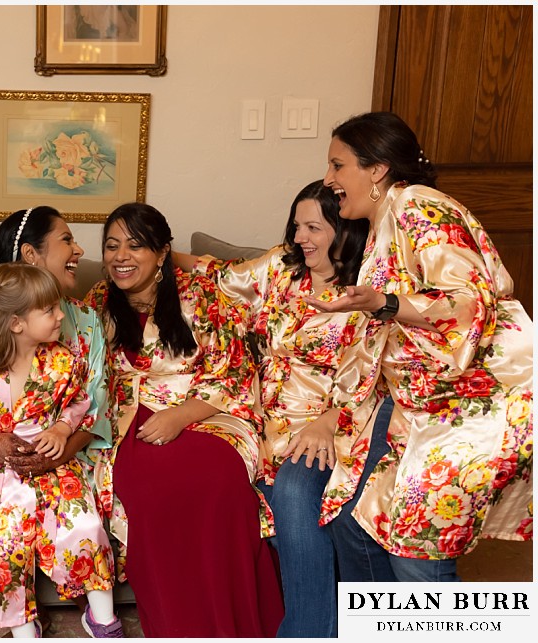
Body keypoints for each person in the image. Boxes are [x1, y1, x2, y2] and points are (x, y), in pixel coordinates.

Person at [309, 111, 533, 582]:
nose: (328, 180)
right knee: (357, 521)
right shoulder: (386, 220)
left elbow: (470, 304)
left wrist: (384, 302)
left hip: (475, 403)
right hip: (420, 406)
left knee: (416, 549)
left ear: (376, 169)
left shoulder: (420, 207)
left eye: (337, 165)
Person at [177, 180, 371, 637]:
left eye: (314, 227)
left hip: (331, 425)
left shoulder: (368, 293)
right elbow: (219, 274)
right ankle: (326, 624)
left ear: (345, 230)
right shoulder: (281, 270)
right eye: (296, 226)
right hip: (265, 426)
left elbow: (376, 375)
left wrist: (328, 422)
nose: (300, 237)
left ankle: (303, 633)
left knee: (292, 493)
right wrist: (156, 256)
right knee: (257, 507)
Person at [84, 202, 284, 637]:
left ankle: (240, 625)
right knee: (150, 483)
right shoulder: (97, 302)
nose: (121, 256)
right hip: (127, 416)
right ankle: (178, 625)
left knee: (217, 476)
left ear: (162, 252)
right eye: (112, 246)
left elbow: (235, 370)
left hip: (208, 410)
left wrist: (182, 415)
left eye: (135, 246)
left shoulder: (204, 295)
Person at [0, 206, 113, 598]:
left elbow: (95, 404)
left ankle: (91, 605)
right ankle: (24, 616)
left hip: (70, 448)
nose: (79, 249)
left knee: (80, 509)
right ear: (31, 255)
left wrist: (61, 447)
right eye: (67, 239)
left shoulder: (85, 321)